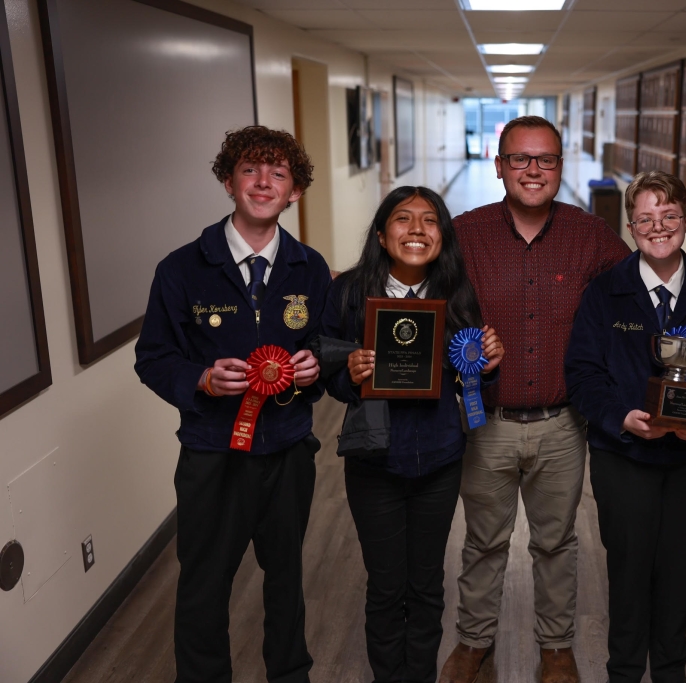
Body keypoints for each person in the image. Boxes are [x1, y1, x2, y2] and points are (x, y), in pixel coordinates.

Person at [135, 125, 331, 683]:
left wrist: (314, 367)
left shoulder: (310, 268)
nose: (263, 182)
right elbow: (152, 357)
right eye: (250, 169)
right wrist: (199, 378)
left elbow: (322, 345)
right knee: (203, 585)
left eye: (278, 173)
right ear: (228, 181)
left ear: (295, 191)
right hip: (211, 455)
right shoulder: (181, 269)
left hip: (288, 451)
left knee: (286, 581)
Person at [439, 115, 631, 683]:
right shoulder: (465, 233)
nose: (533, 170)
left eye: (545, 160)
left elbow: (637, 294)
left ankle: (556, 648)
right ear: (498, 167)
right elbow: (425, 302)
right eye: (520, 159)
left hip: (561, 424)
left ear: (559, 167)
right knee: (483, 541)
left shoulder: (589, 234)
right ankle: (474, 642)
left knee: (556, 543)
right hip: (486, 420)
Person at [565, 171, 686, 683]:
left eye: (668, 216)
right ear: (630, 227)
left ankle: (671, 671)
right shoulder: (605, 293)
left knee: (678, 573)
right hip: (624, 457)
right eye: (645, 218)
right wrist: (619, 417)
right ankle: (623, 671)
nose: (658, 226)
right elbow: (582, 373)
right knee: (628, 572)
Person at [320, 186, 504, 683]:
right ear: (382, 234)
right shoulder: (349, 293)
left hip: (440, 460)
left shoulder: (460, 294)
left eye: (429, 220)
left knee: (426, 586)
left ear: (443, 236)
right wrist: (350, 372)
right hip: (374, 461)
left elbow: (477, 389)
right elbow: (326, 373)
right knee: (385, 587)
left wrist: (487, 367)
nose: (417, 230)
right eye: (403, 219)